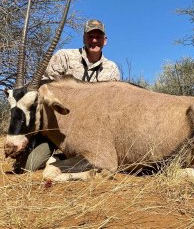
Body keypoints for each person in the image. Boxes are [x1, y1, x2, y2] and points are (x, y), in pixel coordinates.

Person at [14, 19, 120, 173]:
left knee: (94, 156)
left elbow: (113, 104)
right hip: (57, 129)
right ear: (84, 38)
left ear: (105, 40)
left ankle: (63, 158)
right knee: (28, 166)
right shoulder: (64, 56)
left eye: (98, 36)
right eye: (90, 36)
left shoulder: (111, 69)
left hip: (90, 132)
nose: (94, 40)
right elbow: (42, 87)